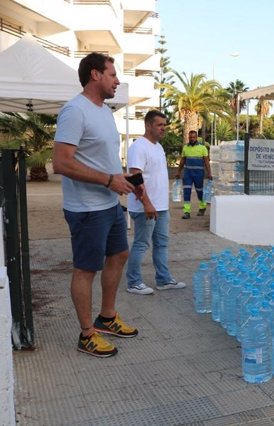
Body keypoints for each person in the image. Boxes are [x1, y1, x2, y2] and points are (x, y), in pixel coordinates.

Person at [52, 52, 138, 358]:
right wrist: (107, 181)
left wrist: (121, 178)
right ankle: (87, 334)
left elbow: (100, 158)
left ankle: (107, 317)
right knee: (86, 269)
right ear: (95, 75)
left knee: (120, 253)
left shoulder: (103, 111)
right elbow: (60, 163)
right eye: (113, 74)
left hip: (108, 202)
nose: (117, 80)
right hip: (87, 208)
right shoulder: (75, 111)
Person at [125, 110, 187, 295]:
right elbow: (135, 178)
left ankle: (164, 279)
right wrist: (147, 204)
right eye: (160, 125)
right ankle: (134, 282)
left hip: (161, 207)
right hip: (145, 207)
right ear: (148, 125)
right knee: (142, 244)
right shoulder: (139, 147)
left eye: (165, 125)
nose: (163, 128)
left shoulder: (158, 147)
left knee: (161, 244)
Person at [175, 130, 212, 219]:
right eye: (190, 137)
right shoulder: (185, 148)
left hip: (199, 174)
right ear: (188, 137)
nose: (192, 139)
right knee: (186, 192)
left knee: (199, 192)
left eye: (194, 137)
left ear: (197, 137)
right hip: (187, 174)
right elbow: (182, 161)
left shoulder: (203, 148)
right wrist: (178, 172)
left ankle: (202, 207)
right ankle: (187, 212)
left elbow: (206, 162)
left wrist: (209, 173)